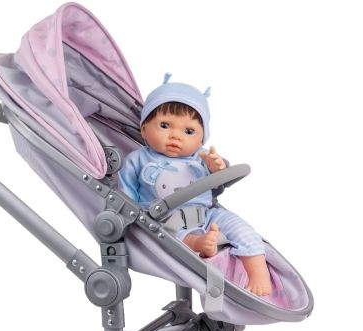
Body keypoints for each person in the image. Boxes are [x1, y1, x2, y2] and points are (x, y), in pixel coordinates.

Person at [117, 75, 273, 296]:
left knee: (242, 229)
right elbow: (126, 193)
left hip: (208, 215)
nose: (175, 136)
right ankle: (200, 244)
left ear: (201, 139)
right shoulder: (137, 159)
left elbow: (220, 177)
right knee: (176, 241)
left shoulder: (201, 157)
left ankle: (258, 274)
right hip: (165, 222)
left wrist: (216, 167)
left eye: (188, 131)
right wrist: (133, 222)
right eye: (164, 126)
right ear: (144, 130)